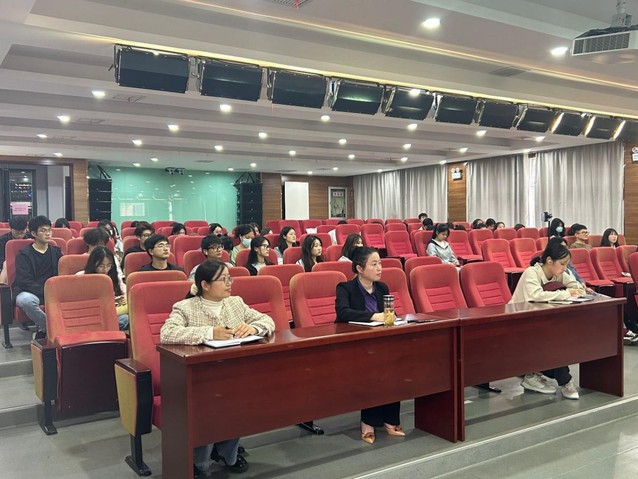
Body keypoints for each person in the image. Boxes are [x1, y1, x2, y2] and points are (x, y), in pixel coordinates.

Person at [160, 260, 275, 476]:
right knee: (207, 403)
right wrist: (210, 332)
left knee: (239, 399)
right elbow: (167, 333)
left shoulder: (235, 303)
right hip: (199, 376)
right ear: (205, 284)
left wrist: (254, 328)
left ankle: (227, 452)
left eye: (230, 278)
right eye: (223, 279)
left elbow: (268, 320)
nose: (229, 283)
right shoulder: (185, 307)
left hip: (233, 373)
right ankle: (198, 461)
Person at [334, 247, 405, 444]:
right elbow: (343, 313)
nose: (380, 268)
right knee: (374, 370)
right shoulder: (345, 288)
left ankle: (391, 419)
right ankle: (368, 421)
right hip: (355, 344)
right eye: (374, 264)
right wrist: (373, 316)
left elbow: (389, 313)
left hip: (381, 341)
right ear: (359, 268)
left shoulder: (382, 287)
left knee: (395, 366)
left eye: (380, 263)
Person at [510, 241, 585, 399]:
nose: (565, 268)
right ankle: (565, 381)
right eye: (562, 264)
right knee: (553, 340)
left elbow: (574, 284)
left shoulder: (557, 273)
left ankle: (534, 375)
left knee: (558, 337)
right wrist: (567, 293)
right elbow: (535, 295)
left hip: (537, 320)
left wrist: (578, 288)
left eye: (567, 264)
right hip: (516, 321)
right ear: (549, 260)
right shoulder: (532, 272)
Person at [13, 216, 63, 339]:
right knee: (26, 300)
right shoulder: (24, 255)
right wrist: (45, 292)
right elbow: (24, 281)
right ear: (34, 233)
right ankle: (53, 328)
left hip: (52, 291)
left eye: (49, 230)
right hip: (29, 291)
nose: (48, 233)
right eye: (43, 230)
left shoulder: (56, 252)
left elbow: (62, 275)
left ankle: (43, 330)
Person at [78, 246, 128, 330]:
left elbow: (126, 292)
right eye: (101, 266)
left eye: (109, 265)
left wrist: (122, 299)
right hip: (90, 314)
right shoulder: (81, 276)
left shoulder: (113, 277)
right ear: (93, 264)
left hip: (109, 314)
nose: (105, 269)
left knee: (125, 318)